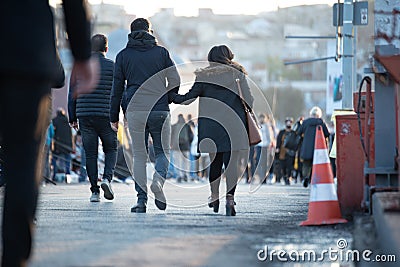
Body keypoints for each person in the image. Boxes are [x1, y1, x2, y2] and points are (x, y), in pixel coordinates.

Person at [0, 1, 97, 265]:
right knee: (23, 165)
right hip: (25, 49)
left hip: (27, 55)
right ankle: (13, 258)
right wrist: (81, 53)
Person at [171, 45, 254, 216]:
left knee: (215, 163)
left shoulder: (203, 76)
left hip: (212, 127)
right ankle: (230, 198)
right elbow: (250, 100)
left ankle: (214, 195)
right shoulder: (237, 75)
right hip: (234, 127)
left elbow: (188, 99)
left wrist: (172, 96)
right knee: (232, 165)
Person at [110, 18, 180, 213]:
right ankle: (158, 181)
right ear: (150, 31)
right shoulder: (162, 53)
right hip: (159, 109)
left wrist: (113, 116)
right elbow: (175, 78)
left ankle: (141, 201)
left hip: (135, 110)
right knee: (162, 152)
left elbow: (117, 89)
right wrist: (168, 96)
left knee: (139, 156)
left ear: (131, 33)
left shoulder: (123, 56)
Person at [68, 34, 117, 202]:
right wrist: (118, 115)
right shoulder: (113, 67)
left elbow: (71, 93)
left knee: (90, 154)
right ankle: (107, 179)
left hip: (85, 114)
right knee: (111, 149)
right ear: (106, 49)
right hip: (106, 115)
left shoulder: (80, 67)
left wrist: (72, 116)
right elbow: (119, 93)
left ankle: (94, 192)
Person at [296, 106, 330, 188]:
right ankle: (314, 179)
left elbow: (299, 132)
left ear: (311, 114)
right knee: (316, 164)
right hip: (318, 147)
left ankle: (306, 177)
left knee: (306, 164)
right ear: (319, 114)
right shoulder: (321, 122)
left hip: (306, 147)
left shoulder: (306, 122)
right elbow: (327, 134)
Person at [51, 108, 73, 181]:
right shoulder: (67, 121)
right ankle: (68, 175)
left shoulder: (54, 121)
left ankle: (54, 175)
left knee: (54, 159)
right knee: (67, 161)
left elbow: (53, 133)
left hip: (58, 144)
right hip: (67, 145)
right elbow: (72, 134)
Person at [171, 114, 193, 182]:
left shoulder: (174, 126)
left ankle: (179, 175)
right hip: (186, 147)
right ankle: (186, 174)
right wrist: (189, 143)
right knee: (186, 162)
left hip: (177, 147)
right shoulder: (187, 126)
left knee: (178, 162)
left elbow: (171, 136)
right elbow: (191, 136)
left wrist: (171, 144)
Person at [275, 117, 296, 185]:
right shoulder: (282, 132)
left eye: (290, 122)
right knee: (283, 165)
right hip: (282, 151)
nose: (288, 123)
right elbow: (278, 140)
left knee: (289, 165)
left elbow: (296, 142)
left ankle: (288, 177)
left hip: (290, 151)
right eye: (287, 122)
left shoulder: (293, 133)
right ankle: (284, 176)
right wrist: (277, 148)